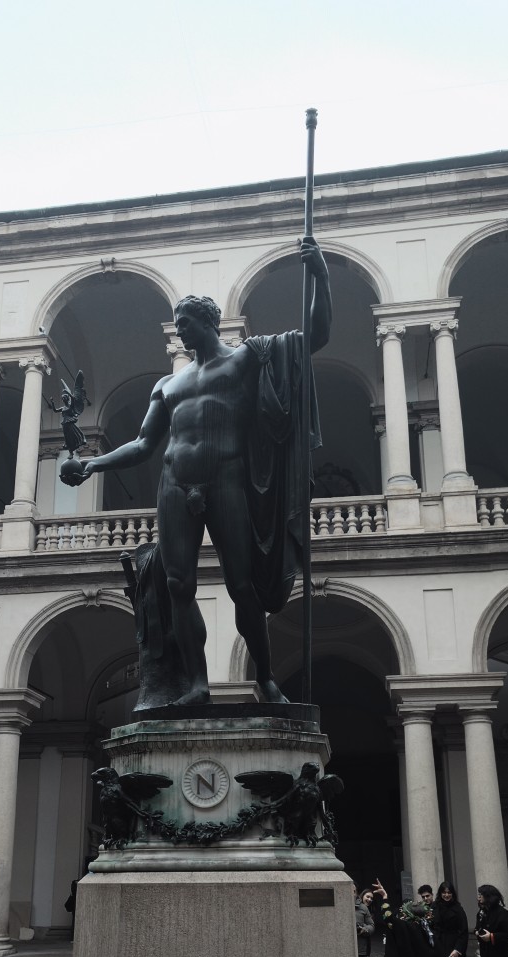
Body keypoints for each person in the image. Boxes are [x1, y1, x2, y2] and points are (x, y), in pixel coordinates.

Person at [62, 241, 332, 706]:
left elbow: (314, 337)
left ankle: (265, 678)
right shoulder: (168, 383)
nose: (179, 330)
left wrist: (321, 278)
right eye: (177, 323)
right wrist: (92, 464)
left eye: (185, 322)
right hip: (174, 483)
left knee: (242, 586)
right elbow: (144, 444)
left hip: (227, 480)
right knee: (177, 586)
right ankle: (197, 685)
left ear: (208, 322)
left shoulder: (246, 358)